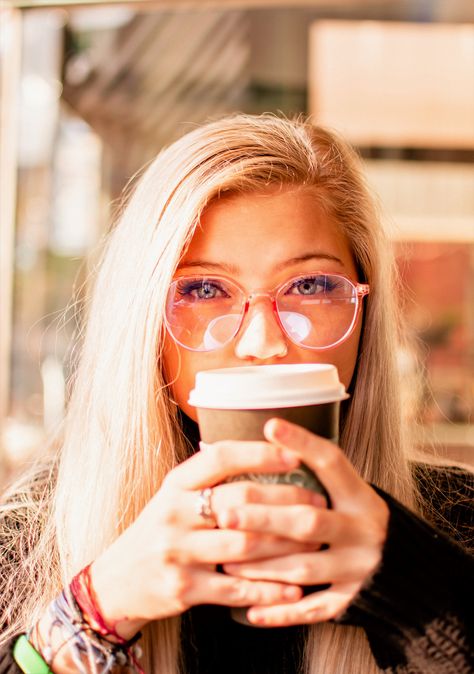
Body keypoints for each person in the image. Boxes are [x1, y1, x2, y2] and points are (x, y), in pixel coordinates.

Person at [0, 113, 472, 674]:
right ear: (143, 326)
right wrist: (95, 613)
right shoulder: (28, 542)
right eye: (203, 289)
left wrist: (424, 599)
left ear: (365, 314)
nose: (263, 342)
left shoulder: (457, 521)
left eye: (311, 285)